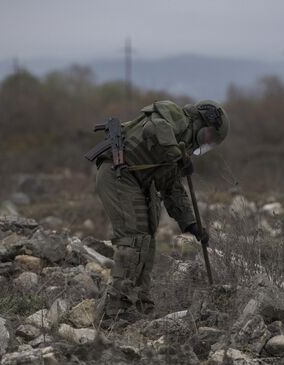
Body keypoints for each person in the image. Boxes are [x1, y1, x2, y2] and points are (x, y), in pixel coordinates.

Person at [93, 99, 229, 322]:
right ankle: (115, 310)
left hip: (138, 182)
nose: (204, 143)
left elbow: (172, 189)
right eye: (207, 137)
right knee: (134, 238)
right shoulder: (174, 114)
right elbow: (154, 127)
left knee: (147, 239)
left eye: (210, 142)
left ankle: (138, 301)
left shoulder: (181, 147)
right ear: (201, 123)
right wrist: (177, 155)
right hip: (118, 175)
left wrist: (192, 224)